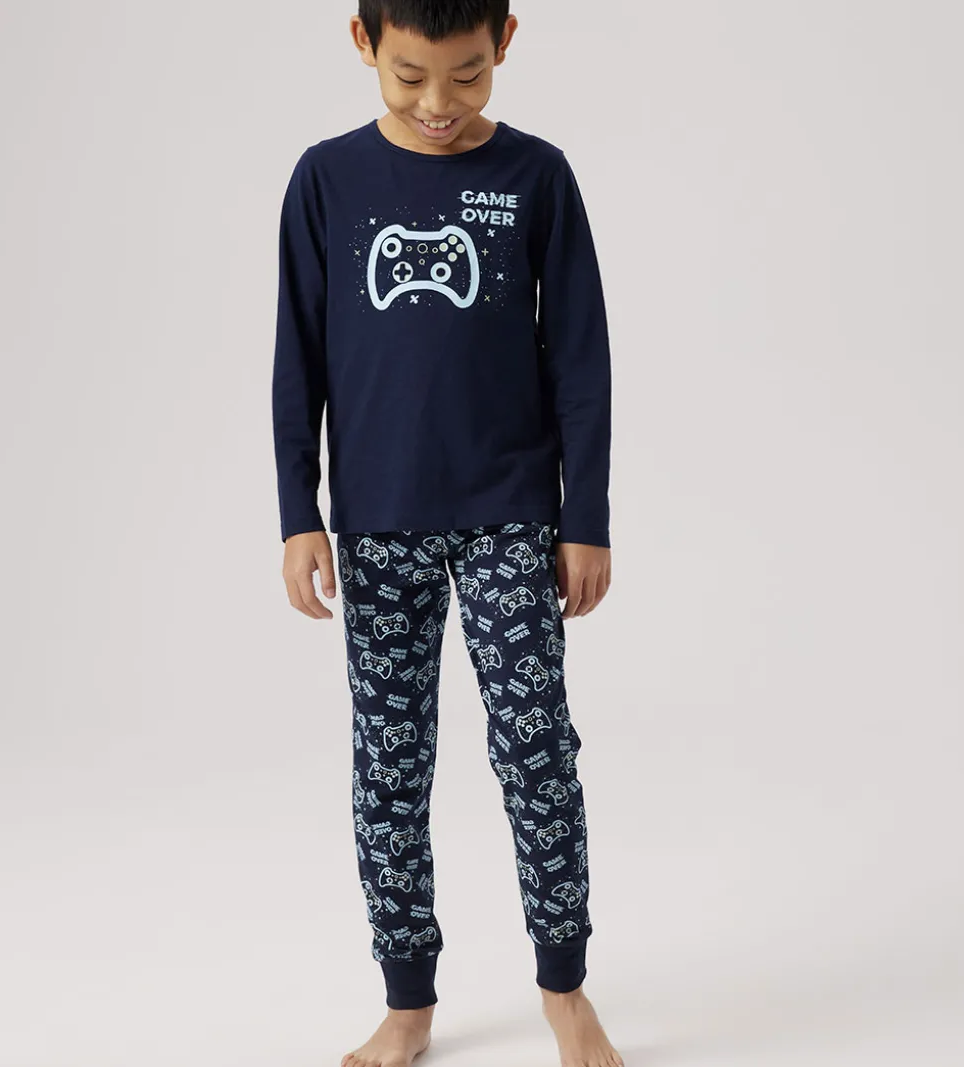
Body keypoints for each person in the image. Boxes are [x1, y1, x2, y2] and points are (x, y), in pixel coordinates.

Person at [271, 3, 622, 1065]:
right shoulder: (327, 180)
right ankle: (408, 1000)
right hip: (377, 523)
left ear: (505, 40)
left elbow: (581, 357)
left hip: (511, 514)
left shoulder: (537, 176)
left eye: (467, 76)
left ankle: (565, 990)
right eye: (410, 76)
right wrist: (298, 513)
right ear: (363, 42)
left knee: (537, 749)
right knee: (389, 768)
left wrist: (585, 517)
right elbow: (298, 355)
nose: (438, 104)